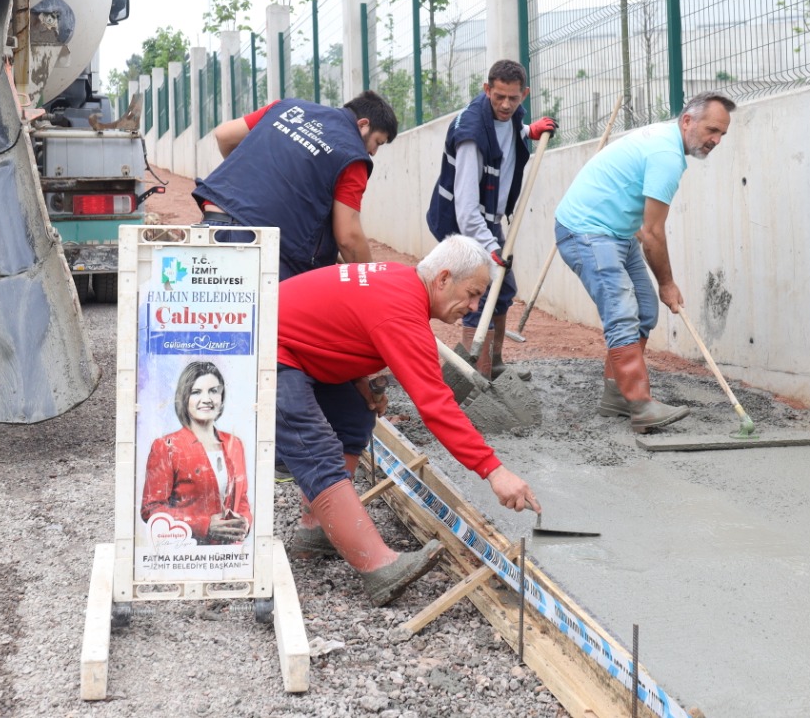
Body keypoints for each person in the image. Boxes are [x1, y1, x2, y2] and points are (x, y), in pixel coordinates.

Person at [275, 235, 542, 607]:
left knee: (353, 416)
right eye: (472, 293)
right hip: (264, 352)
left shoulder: (400, 284)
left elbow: (334, 326)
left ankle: (317, 529)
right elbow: (436, 405)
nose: (473, 306)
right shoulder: (401, 310)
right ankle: (379, 568)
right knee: (315, 449)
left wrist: (359, 379)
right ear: (444, 278)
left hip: (293, 347)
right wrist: (494, 470)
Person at [553, 91, 736, 433]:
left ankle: (616, 396)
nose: (716, 140)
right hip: (586, 232)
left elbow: (641, 221)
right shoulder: (666, 155)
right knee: (622, 311)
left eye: (722, 134)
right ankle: (640, 404)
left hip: (618, 234)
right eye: (712, 129)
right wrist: (667, 282)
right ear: (687, 121)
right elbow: (652, 233)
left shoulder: (666, 143)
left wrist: (660, 285)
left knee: (645, 309)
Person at [425, 59, 556, 377]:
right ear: (487, 90)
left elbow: (507, 130)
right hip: (463, 225)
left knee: (504, 290)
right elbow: (466, 210)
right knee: (478, 295)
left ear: (523, 94)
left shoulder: (510, 117)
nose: (506, 104)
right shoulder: (471, 134)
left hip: (489, 221)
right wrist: (490, 250)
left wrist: (528, 131)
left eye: (513, 98)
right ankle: (477, 376)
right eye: (498, 97)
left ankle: (493, 365)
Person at [193, 91, 398, 280]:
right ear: (363, 125)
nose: (373, 152)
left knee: (210, 314)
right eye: (377, 142)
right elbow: (348, 238)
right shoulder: (352, 155)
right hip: (262, 249)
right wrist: (371, 282)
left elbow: (224, 134)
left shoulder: (287, 107)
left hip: (214, 223)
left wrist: (244, 185)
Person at [141, 360, 251, 545]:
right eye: (196, 392)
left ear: (222, 397)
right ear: (184, 398)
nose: (207, 399)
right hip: (189, 554)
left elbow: (242, 498)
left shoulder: (234, 443)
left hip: (231, 556)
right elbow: (151, 508)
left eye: (213, 391)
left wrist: (245, 522)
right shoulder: (166, 446)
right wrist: (205, 525)